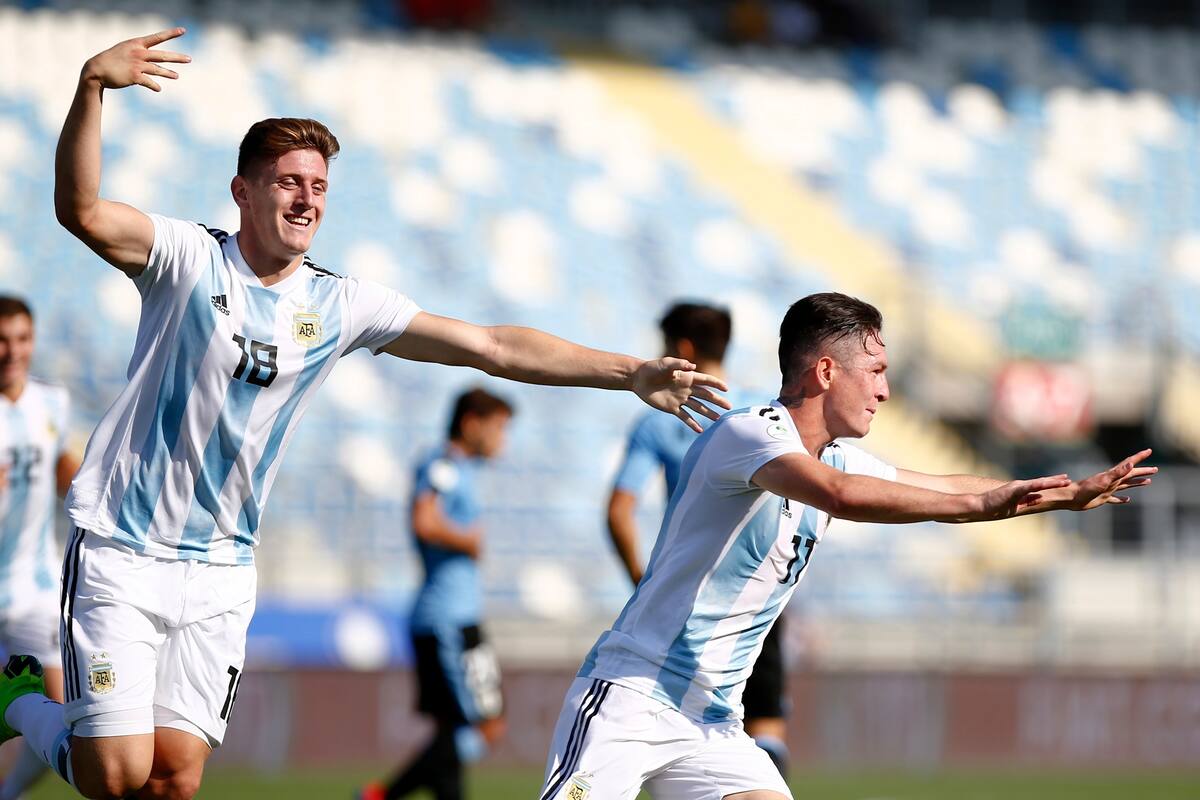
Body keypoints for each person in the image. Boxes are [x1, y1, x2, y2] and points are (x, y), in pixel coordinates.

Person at [0, 29, 727, 800]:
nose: (306, 199)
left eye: (318, 185)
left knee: (174, 781)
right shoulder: (186, 258)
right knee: (116, 774)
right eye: (287, 182)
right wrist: (91, 86)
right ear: (242, 192)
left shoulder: (339, 304)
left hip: (220, 568)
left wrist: (627, 372)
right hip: (123, 546)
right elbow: (81, 210)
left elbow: (490, 346)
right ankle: (17, 699)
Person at [539, 292, 1156, 800]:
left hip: (713, 722)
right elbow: (842, 496)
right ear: (827, 372)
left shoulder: (832, 456)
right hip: (634, 695)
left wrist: (1065, 495)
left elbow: (944, 485)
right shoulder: (750, 433)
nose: (885, 391)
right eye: (877, 371)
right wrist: (983, 506)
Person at [607, 302, 791, 775]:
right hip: (757, 589)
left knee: (672, 731)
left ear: (682, 348)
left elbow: (619, 510)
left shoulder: (660, 418)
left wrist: (641, 579)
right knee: (764, 727)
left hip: (688, 596)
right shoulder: (768, 411)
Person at [360, 388, 513, 800]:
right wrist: (468, 541)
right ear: (471, 423)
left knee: (455, 729)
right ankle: (381, 795)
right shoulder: (443, 464)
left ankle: (378, 796)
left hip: (453, 616)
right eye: (499, 427)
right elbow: (424, 521)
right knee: (483, 724)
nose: (503, 439)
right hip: (448, 619)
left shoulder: (461, 468)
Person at [0, 297, 80, 800]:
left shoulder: (52, 403)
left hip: (33, 588)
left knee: (64, 716)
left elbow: (60, 468)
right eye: (2, 340)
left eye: (22, 339)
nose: (13, 351)